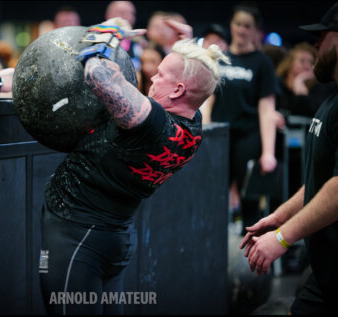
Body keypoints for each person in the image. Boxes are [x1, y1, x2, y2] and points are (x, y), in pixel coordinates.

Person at [39, 17, 229, 315]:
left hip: (76, 236)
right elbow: (196, 82)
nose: (152, 77)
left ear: (178, 90)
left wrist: (108, 34)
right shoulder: (193, 125)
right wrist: (186, 49)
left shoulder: (148, 121)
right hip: (115, 237)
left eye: (161, 75)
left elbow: (97, 75)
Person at [239, 2, 338, 314]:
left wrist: (282, 238)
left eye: (323, 35)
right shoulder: (332, 98)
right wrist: (280, 216)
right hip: (325, 268)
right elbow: (319, 181)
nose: (316, 43)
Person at [201, 4, 279, 230]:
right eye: (238, 24)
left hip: (248, 135)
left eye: (247, 26)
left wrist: (268, 153)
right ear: (231, 25)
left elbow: (267, 109)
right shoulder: (219, 58)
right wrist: (204, 128)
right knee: (213, 192)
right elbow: (208, 98)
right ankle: (210, 244)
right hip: (218, 135)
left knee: (249, 198)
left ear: (255, 30)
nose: (241, 29)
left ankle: (250, 252)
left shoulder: (262, 63)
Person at [104, 1, 144, 73]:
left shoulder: (140, 45)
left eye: (132, 14)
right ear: (108, 15)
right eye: (122, 13)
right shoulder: (96, 42)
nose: (128, 17)